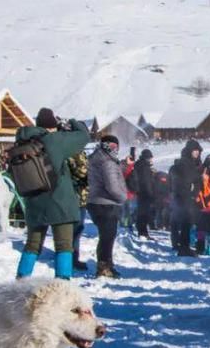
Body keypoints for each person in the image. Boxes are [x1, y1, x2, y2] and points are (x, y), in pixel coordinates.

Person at [14, 108, 90, 280]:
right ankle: (62, 286)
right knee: (64, 246)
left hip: (33, 202)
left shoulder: (21, 141)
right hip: (59, 202)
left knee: (32, 246)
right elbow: (84, 136)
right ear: (53, 126)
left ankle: (21, 282)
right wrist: (71, 122)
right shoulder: (54, 141)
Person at [87, 134, 128, 278]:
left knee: (106, 236)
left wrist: (123, 164)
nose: (114, 149)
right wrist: (123, 197)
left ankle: (106, 265)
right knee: (107, 236)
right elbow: (112, 186)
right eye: (112, 146)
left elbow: (111, 173)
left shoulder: (98, 158)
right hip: (106, 203)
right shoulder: (107, 162)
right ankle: (104, 267)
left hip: (96, 201)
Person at [169, 140, 203, 256]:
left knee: (186, 223)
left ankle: (181, 245)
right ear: (190, 151)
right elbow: (192, 179)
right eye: (195, 150)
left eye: (198, 150)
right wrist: (193, 191)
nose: (197, 152)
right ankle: (184, 247)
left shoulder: (191, 162)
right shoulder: (187, 163)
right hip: (185, 197)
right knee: (186, 223)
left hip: (184, 197)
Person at [68, 149, 90, 271]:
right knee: (75, 230)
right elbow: (82, 173)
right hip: (75, 197)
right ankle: (71, 258)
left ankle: (73, 257)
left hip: (81, 197)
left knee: (78, 229)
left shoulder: (79, 152)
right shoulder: (72, 152)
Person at [132, 149, 156, 238]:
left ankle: (142, 232)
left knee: (142, 213)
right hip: (145, 193)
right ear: (147, 158)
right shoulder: (144, 167)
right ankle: (143, 232)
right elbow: (147, 182)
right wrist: (151, 194)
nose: (151, 160)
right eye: (150, 158)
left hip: (140, 193)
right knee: (144, 214)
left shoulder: (140, 165)